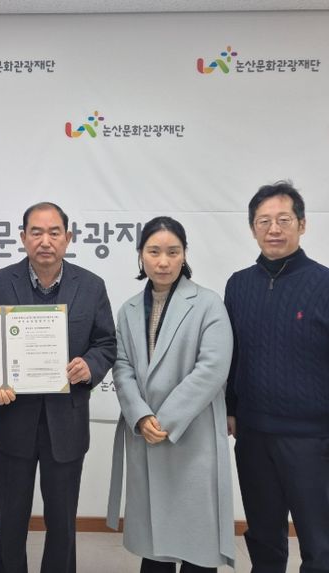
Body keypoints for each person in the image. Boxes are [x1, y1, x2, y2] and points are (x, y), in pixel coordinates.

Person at [0, 202, 116, 573]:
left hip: (66, 422)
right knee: (11, 519)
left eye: (54, 232)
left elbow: (106, 343)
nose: (45, 241)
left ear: (67, 238)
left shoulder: (91, 285)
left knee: (62, 522)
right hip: (13, 420)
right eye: (36, 232)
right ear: (22, 237)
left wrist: (89, 365)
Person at [106, 216, 235, 572]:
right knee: (155, 545)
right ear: (140, 255)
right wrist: (140, 415)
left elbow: (212, 368)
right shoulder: (129, 309)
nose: (163, 261)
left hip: (192, 434)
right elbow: (122, 367)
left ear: (184, 255)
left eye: (172, 252)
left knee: (197, 540)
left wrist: (165, 419)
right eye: (154, 251)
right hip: (146, 432)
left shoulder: (208, 303)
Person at [225, 181, 329, 572]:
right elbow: (231, 354)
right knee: (264, 540)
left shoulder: (324, 284)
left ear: (302, 224)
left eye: (284, 220)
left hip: (312, 439)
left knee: (320, 544)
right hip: (253, 434)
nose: (274, 229)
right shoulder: (238, 285)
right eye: (264, 221)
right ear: (252, 228)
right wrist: (230, 408)